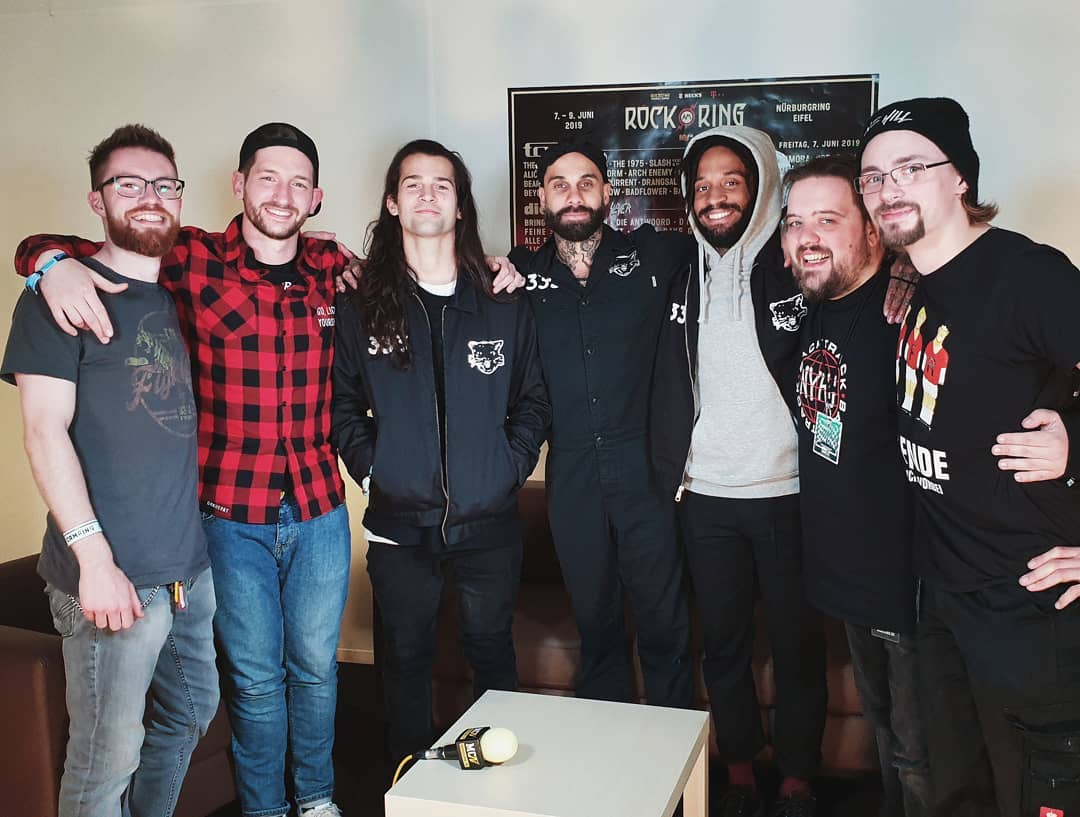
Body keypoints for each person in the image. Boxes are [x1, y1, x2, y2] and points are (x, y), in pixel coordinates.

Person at [16, 123, 353, 817]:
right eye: (267, 177)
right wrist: (46, 261)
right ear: (238, 184)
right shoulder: (188, 259)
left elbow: (419, 269)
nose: (282, 194)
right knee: (248, 682)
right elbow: (100, 247)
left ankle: (316, 798)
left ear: (316, 198)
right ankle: (264, 808)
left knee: (290, 677)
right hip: (226, 512)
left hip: (304, 509)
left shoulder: (329, 268)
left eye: (298, 183)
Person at [858, 96, 1080, 817]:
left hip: (1029, 609)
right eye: (873, 176)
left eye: (910, 167)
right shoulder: (916, 284)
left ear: (960, 178)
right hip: (945, 603)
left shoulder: (1029, 275)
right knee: (959, 795)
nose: (888, 188)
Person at [1, 124, 217, 817]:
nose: (150, 197)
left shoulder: (176, 291)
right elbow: (43, 431)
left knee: (193, 711)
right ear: (97, 200)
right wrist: (94, 560)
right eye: (129, 184)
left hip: (187, 571)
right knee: (105, 761)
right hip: (109, 577)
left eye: (164, 184)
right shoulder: (58, 296)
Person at [332, 139, 549, 765]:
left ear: (460, 205)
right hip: (399, 526)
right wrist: (375, 471)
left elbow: (533, 401)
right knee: (404, 660)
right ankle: (410, 781)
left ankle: (498, 784)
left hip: (489, 522)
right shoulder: (360, 302)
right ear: (393, 203)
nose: (427, 194)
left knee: (491, 651)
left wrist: (506, 469)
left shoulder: (502, 299)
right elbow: (342, 405)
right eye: (413, 184)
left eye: (442, 185)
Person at [650, 125, 827, 817]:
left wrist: (902, 272)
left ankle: (799, 775)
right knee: (722, 645)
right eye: (702, 185)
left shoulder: (795, 263)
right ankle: (741, 772)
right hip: (706, 496)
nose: (715, 196)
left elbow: (864, 269)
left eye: (732, 181)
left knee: (795, 643)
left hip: (788, 493)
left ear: (761, 186)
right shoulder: (678, 271)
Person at [508, 141, 694, 710]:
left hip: (646, 471)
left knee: (664, 623)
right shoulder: (519, 274)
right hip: (572, 477)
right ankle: (608, 749)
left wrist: (901, 263)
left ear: (608, 194)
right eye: (560, 184)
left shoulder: (657, 256)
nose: (574, 195)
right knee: (595, 623)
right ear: (542, 199)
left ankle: (675, 754)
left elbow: (739, 246)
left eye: (586, 182)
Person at [782, 153, 930, 817]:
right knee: (886, 740)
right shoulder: (812, 305)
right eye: (794, 222)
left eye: (827, 219)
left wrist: (909, 262)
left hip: (910, 584)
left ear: (873, 229)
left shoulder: (911, 310)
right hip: (848, 581)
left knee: (922, 756)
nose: (807, 236)